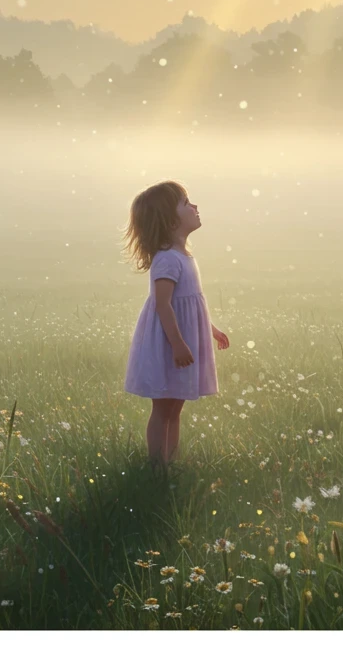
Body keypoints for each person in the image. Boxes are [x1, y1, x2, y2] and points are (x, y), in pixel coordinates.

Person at [121, 180, 229, 470]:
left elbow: (192, 303)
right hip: (169, 342)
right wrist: (178, 343)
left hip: (182, 338)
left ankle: (170, 462)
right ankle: (156, 465)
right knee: (164, 407)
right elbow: (163, 304)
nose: (194, 206)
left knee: (176, 406)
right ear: (170, 220)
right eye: (185, 203)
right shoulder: (168, 259)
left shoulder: (183, 256)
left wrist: (211, 328)